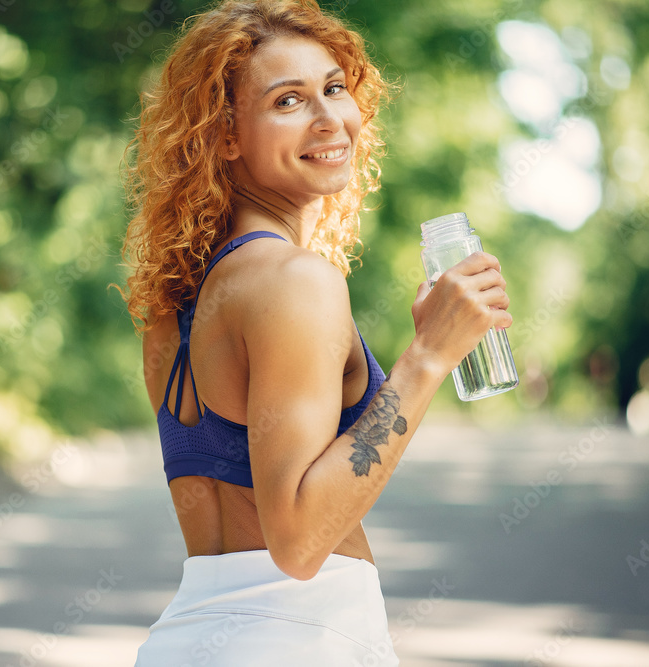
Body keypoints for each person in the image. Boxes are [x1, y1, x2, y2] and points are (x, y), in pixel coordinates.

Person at [118, 1, 512, 664]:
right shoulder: (295, 280)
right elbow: (298, 543)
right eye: (289, 100)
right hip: (297, 638)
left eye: (334, 88)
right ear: (225, 134)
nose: (330, 118)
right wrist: (428, 357)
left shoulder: (177, 298)